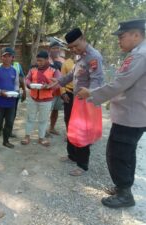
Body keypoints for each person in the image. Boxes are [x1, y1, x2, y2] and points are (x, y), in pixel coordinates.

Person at [77, 19, 146, 208]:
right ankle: (124, 187)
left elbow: (120, 83)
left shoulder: (140, 55)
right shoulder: (138, 53)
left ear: (136, 35)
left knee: (117, 153)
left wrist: (91, 94)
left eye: (122, 36)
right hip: (134, 113)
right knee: (127, 152)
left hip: (130, 116)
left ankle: (124, 194)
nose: (119, 41)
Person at [51, 28, 104, 176]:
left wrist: (89, 92)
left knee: (83, 132)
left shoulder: (93, 57)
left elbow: (97, 80)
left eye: (76, 45)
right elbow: (72, 74)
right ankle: (72, 156)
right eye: (71, 48)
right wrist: (59, 81)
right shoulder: (80, 56)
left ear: (83, 38)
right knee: (71, 127)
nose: (74, 49)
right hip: (77, 99)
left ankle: (82, 165)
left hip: (87, 101)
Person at [21, 50, 61, 147]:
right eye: (37, 61)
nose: (38, 63)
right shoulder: (33, 69)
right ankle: (27, 136)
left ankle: (41, 138)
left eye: (41, 61)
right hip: (33, 98)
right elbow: (27, 79)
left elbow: (59, 82)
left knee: (43, 120)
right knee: (30, 118)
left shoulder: (54, 70)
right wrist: (29, 85)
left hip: (46, 100)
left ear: (47, 60)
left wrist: (49, 86)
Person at [0, 47, 19, 151]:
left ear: (12, 58)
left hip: (11, 102)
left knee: (9, 122)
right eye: (4, 56)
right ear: (1, 58)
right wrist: (0, 92)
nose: (6, 58)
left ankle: (6, 141)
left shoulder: (14, 70)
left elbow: (16, 84)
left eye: (9, 56)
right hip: (0, 102)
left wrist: (16, 91)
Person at [47, 41, 65, 136]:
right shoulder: (46, 60)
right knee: (46, 110)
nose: (56, 50)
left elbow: (66, 74)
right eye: (54, 48)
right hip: (48, 90)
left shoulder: (63, 60)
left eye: (57, 48)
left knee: (55, 110)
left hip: (59, 90)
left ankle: (52, 128)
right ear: (49, 49)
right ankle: (44, 130)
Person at [60, 50, 75, 138]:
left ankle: (80, 134)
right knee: (68, 115)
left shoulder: (85, 62)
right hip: (69, 92)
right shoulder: (66, 63)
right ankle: (69, 134)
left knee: (80, 116)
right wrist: (63, 93)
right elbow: (62, 79)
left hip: (81, 94)